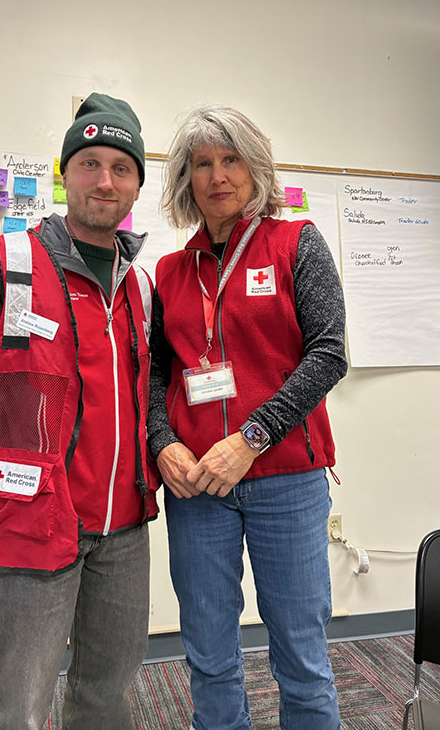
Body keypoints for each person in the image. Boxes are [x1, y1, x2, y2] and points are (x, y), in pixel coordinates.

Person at [0, 92, 160, 730]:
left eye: (121, 168)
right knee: (21, 703)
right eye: (89, 162)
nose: (104, 180)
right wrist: (15, 476)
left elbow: (145, 396)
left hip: (125, 529)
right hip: (35, 523)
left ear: (137, 185)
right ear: (64, 172)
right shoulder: (6, 264)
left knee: (107, 692)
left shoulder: (140, 286)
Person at [148, 104, 348, 730]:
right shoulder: (170, 271)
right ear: (186, 180)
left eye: (230, 159)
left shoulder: (296, 242)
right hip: (198, 485)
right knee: (208, 653)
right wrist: (160, 442)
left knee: (301, 656)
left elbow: (330, 352)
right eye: (201, 163)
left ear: (256, 168)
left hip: (286, 478)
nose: (217, 176)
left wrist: (252, 438)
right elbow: (157, 373)